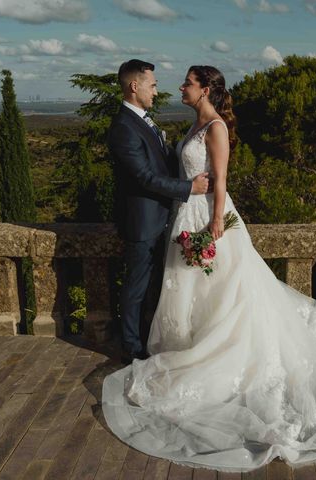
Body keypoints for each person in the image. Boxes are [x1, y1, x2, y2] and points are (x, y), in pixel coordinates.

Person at [102, 65, 316, 472]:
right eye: (169, 82)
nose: (177, 87)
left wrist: (216, 224)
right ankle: (188, 346)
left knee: (222, 293)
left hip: (206, 218)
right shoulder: (192, 123)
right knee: (191, 292)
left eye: (187, 82)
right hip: (183, 215)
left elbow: (220, 181)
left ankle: (219, 357)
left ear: (205, 88)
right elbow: (162, 172)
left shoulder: (216, 127)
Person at [109, 59, 210, 363]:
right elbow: (144, 177)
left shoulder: (142, 119)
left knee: (154, 285)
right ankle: (131, 346)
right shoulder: (123, 127)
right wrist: (188, 189)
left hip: (162, 217)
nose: (156, 90)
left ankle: (148, 338)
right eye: (152, 85)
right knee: (137, 286)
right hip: (142, 222)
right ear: (134, 86)